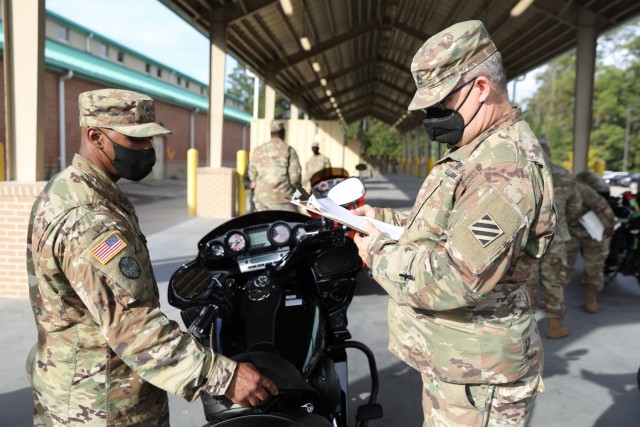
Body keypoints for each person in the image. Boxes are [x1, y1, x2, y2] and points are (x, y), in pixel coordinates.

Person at [25, 89, 277, 426]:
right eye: (136, 141)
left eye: (150, 140)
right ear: (95, 136)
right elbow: (132, 324)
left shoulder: (82, 190)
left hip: (102, 390)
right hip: (100, 407)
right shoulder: (88, 218)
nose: (148, 150)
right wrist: (224, 376)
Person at [350, 21, 556, 426]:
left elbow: (455, 277)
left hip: (480, 378)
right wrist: (384, 219)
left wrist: (376, 252)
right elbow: (449, 227)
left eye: (440, 103)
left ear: (481, 88)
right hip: (460, 366)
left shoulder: (504, 169)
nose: (433, 116)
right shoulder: (478, 150)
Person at [526, 140, 583, 338]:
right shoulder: (565, 175)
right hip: (556, 239)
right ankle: (554, 326)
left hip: (528, 241)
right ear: (550, 154)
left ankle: (527, 329)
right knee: (554, 282)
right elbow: (576, 207)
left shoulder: (523, 172)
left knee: (527, 283)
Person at [566, 170, 616, 313]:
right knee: (563, 262)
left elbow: (602, 206)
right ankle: (555, 298)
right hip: (573, 229)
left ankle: (590, 299)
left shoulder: (581, 188)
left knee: (594, 264)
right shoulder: (561, 187)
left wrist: (609, 226)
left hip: (594, 228)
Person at [248, 120, 301, 211]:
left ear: (271, 133)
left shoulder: (258, 150)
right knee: (290, 223)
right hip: (283, 199)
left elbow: (252, 174)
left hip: (261, 200)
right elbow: (295, 178)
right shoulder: (289, 150)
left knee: (264, 224)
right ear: (283, 133)